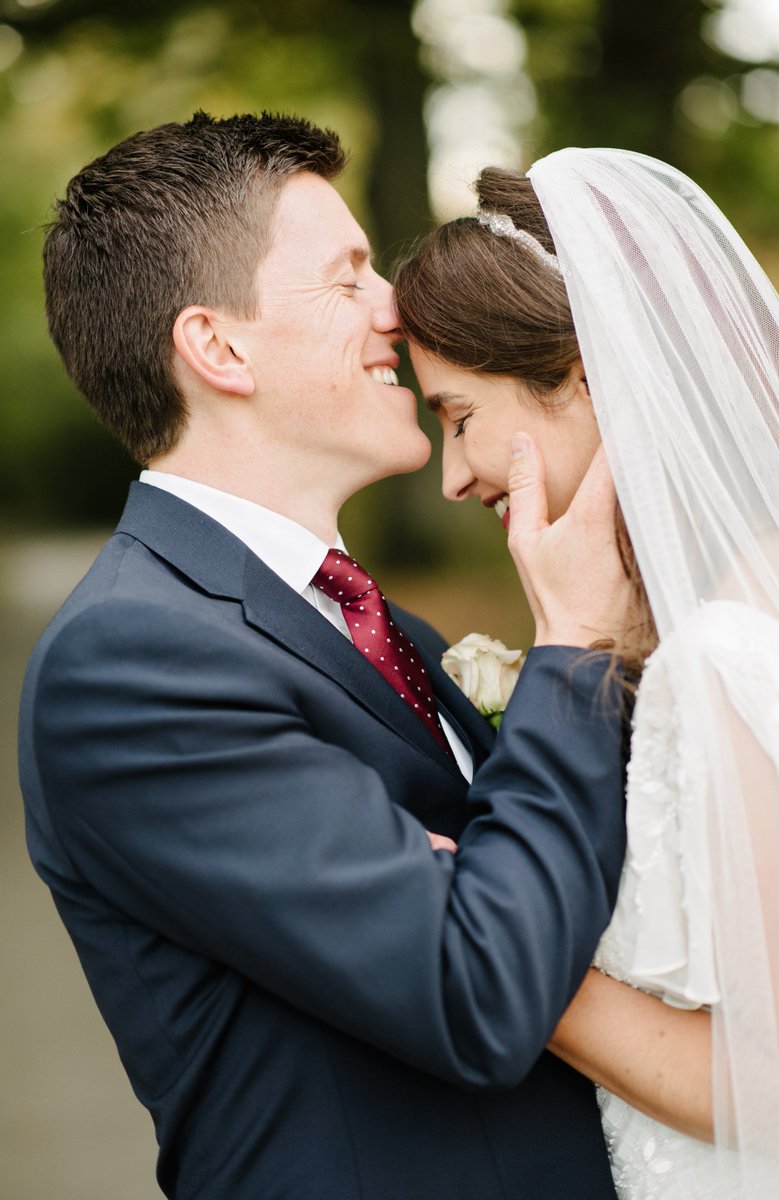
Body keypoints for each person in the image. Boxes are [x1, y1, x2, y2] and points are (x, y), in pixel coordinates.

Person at [18, 112, 636, 1200]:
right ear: (218, 348)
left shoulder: (388, 633)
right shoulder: (131, 662)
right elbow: (477, 991)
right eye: (345, 276)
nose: (394, 305)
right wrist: (571, 652)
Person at [394, 147, 779, 1198]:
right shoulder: (743, 614)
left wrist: (490, 955)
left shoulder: (721, 658)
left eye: (458, 416)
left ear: (582, 374)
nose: (450, 476)